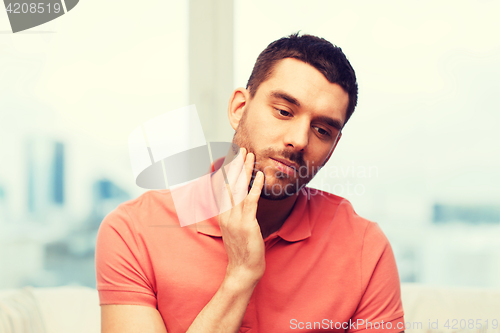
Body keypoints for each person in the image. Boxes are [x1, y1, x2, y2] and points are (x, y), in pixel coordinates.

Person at [96, 32, 405, 333]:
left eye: (322, 130)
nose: (299, 140)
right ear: (239, 108)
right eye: (284, 111)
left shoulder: (365, 248)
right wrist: (240, 276)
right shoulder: (133, 230)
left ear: (333, 146)